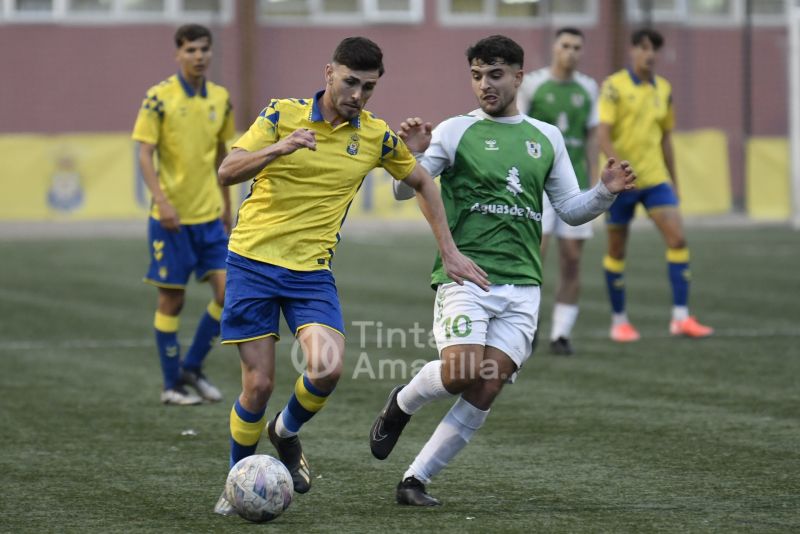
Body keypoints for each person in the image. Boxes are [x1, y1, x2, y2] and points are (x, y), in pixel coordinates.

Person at [211, 36, 489, 515]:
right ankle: (236, 482)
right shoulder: (281, 115)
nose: (358, 94)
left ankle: (285, 431)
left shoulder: (376, 136)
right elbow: (227, 170)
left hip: (311, 273)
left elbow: (421, 181)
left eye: (368, 87)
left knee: (327, 367)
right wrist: (278, 149)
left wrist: (449, 249)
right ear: (328, 74)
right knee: (257, 386)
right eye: (350, 82)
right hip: (252, 262)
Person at [370, 35, 636, 506]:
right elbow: (402, 192)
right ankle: (402, 403)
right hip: (465, 276)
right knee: (461, 371)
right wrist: (409, 158)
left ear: (518, 75)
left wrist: (605, 191)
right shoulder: (454, 131)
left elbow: (570, 211)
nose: (485, 85)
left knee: (486, 385)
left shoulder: (545, 137)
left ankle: (415, 480)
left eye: (495, 75)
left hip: (523, 286)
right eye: (476, 76)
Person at [132, 24, 235, 405]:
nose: (199, 56)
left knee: (228, 293)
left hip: (209, 216)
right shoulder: (159, 98)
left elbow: (224, 156)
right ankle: (171, 384)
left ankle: (191, 366)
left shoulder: (221, 99)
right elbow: (144, 152)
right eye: (191, 50)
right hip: (170, 218)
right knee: (171, 301)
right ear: (178, 53)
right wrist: (161, 201)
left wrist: (227, 206)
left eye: (204, 49)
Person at [597, 28, 713, 342]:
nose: (650, 54)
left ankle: (681, 317)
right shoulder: (614, 87)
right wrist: (619, 168)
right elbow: (603, 133)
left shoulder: (664, 88)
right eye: (644, 48)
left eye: (654, 49)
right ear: (633, 50)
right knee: (617, 250)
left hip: (655, 179)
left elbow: (665, 138)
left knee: (677, 240)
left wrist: (674, 181)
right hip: (621, 183)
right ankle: (619, 321)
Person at [517, 27, 599, 355]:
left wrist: (594, 178)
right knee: (535, 254)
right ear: (554, 48)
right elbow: (519, 129)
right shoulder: (534, 84)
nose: (571, 52)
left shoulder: (589, 87)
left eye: (577, 47)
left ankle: (561, 334)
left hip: (575, 184)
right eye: (566, 45)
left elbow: (591, 135)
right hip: (540, 184)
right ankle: (527, 325)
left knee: (572, 261)